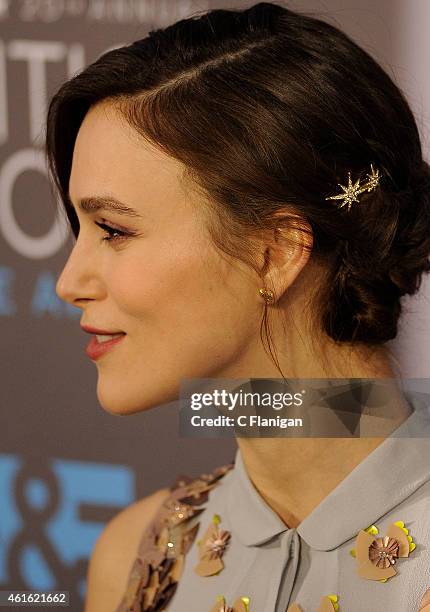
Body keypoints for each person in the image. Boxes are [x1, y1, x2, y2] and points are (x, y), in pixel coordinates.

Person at [45, 2, 430, 610]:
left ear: (276, 252)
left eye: (114, 230)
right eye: (81, 229)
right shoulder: (138, 560)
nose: (69, 282)